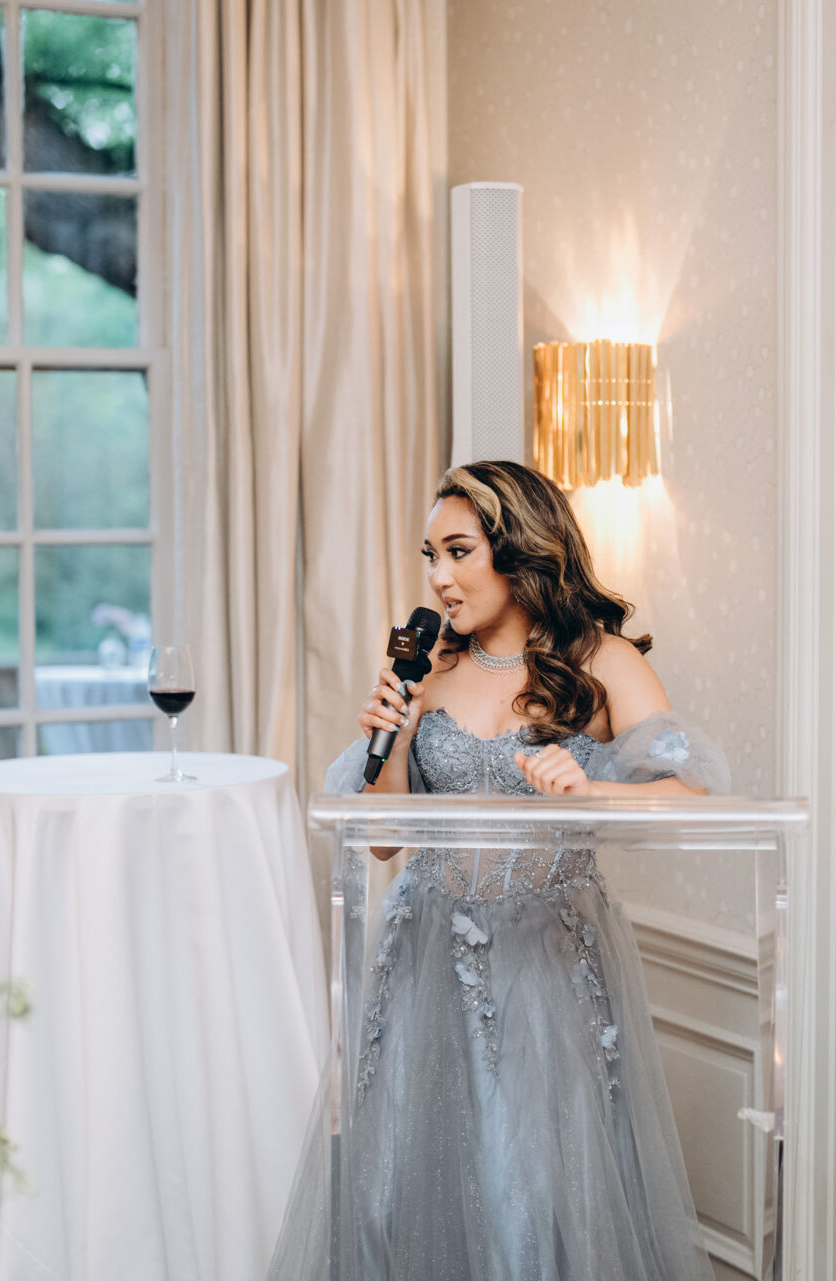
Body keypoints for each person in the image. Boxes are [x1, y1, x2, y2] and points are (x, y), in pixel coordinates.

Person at [267, 460, 729, 1281]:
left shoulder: (600, 660)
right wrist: (394, 737)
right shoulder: (431, 667)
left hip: (545, 965)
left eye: (458, 552)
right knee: (406, 1188)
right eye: (430, 555)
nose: (439, 577)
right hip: (425, 960)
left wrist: (590, 791)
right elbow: (383, 840)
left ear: (518, 549)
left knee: (534, 1187)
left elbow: (690, 794)